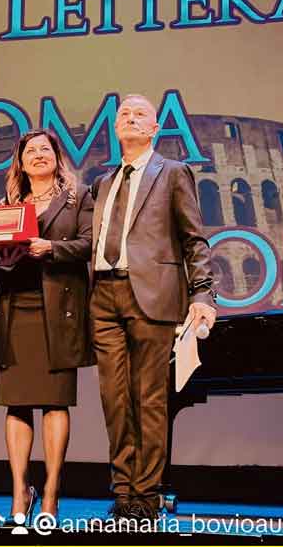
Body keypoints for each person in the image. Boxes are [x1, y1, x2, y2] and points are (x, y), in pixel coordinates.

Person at [90, 94, 216, 520]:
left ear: (155, 128)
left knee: (150, 397)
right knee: (114, 399)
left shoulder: (173, 173)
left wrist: (202, 293)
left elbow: (193, 238)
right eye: (123, 112)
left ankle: (145, 496)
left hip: (153, 294)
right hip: (103, 297)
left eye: (139, 112)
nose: (129, 116)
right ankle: (123, 491)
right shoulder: (104, 182)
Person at [0, 129, 94, 523]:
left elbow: (88, 244)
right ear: (19, 162)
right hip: (17, 306)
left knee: (55, 401)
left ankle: (51, 491)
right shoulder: (6, 204)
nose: (37, 155)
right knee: (16, 402)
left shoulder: (78, 197)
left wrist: (50, 248)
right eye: (29, 150)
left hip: (59, 309)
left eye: (44, 149)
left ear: (56, 157)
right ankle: (20, 491)